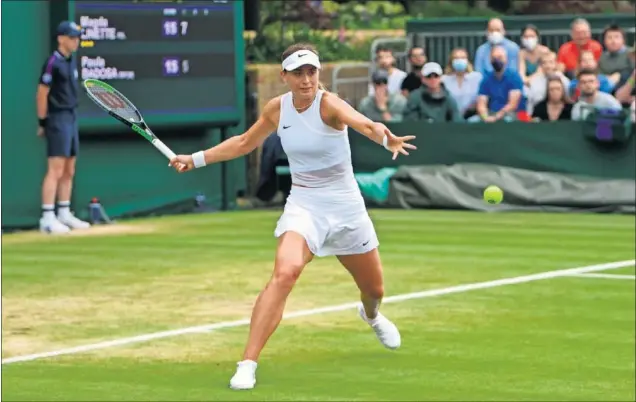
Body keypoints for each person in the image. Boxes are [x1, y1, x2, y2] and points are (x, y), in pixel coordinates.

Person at [168, 43, 416, 390]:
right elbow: (242, 143)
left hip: (346, 207)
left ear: (319, 73)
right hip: (305, 204)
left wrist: (382, 135)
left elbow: (361, 121)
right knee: (285, 273)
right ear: (284, 76)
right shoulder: (276, 109)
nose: (305, 80)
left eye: (311, 71)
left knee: (374, 290)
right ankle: (248, 363)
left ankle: (371, 316)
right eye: (297, 73)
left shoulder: (329, 103)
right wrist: (193, 159)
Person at [37, 21, 91, 234]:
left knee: (69, 169)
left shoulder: (71, 62)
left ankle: (64, 212)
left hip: (71, 117)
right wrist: (43, 121)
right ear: (61, 39)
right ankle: (47, 218)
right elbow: (42, 93)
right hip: (57, 118)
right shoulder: (52, 62)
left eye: (77, 37)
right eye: (71, 37)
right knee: (56, 170)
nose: (75, 41)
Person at [470, 46, 524, 123]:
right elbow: (481, 104)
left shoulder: (514, 77)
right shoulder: (486, 78)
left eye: (500, 57)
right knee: (472, 121)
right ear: (490, 60)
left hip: (514, 114)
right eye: (494, 58)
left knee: (507, 120)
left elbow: (512, 104)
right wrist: (485, 117)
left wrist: (496, 117)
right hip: (491, 113)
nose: (496, 60)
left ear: (506, 59)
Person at [441, 47, 483, 119]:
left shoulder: (477, 77)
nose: (459, 60)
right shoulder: (444, 80)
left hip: (472, 117)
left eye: (463, 58)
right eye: (456, 58)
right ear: (451, 61)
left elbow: (481, 99)